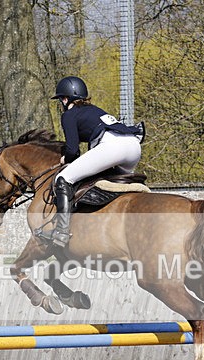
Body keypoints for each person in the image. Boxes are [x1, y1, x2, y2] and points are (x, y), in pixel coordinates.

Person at [47, 76, 143, 247]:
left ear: (65, 99)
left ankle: (61, 231)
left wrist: (65, 159)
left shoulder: (69, 114)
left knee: (63, 178)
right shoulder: (95, 110)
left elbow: (72, 150)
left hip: (113, 147)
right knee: (112, 182)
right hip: (134, 146)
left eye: (61, 100)